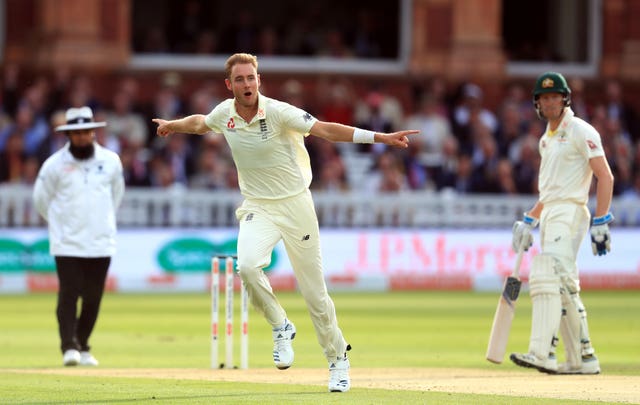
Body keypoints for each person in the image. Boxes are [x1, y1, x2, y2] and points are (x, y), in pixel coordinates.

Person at [152, 53, 417, 392]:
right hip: (258, 206)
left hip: (296, 205)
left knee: (314, 294)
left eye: (251, 78)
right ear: (229, 85)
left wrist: (380, 138)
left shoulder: (278, 112)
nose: (246, 84)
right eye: (240, 79)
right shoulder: (225, 114)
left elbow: (325, 131)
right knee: (246, 266)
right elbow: (200, 122)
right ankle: (281, 326)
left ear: (259, 80)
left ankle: (337, 359)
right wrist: (172, 126)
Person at [509, 72, 614, 375]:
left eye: (555, 96)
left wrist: (602, 221)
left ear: (565, 99)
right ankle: (583, 358)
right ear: (537, 103)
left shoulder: (581, 130)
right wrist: (529, 220)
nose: (550, 102)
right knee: (565, 286)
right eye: (544, 97)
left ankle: (542, 353)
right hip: (552, 213)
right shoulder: (546, 139)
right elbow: (550, 192)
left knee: (546, 274)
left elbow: (604, 176)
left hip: (571, 212)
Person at [33, 106, 125, 367]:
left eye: (86, 132)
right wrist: (60, 223)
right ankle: (68, 346)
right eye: (77, 133)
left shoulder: (110, 161)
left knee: (93, 298)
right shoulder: (54, 165)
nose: (82, 137)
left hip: (100, 241)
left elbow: (116, 196)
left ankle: (83, 345)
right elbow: (40, 199)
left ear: (93, 133)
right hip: (67, 242)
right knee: (69, 293)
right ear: (68, 135)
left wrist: (102, 220)